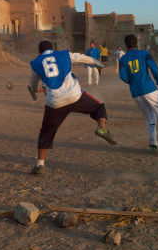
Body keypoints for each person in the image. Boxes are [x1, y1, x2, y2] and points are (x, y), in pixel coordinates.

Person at [28, 40, 117, 175]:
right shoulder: (64, 54)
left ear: (39, 52)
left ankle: (39, 165)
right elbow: (83, 58)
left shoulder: (36, 63)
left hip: (55, 102)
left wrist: (34, 95)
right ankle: (101, 129)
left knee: (46, 132)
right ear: (53, 49)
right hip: (74, 95)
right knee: (99, 108)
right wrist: (99, 65)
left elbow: (33, 85)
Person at [119, 34, 158, 154]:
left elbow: (122, 76)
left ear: (126, 45)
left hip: (135, 93)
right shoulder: (144, 54)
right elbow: (155, 69)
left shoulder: (122, 59)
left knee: (150, 117)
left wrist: (132, 82)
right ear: (136, 44)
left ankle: (153, 144)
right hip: (149, 88)